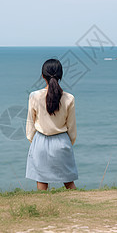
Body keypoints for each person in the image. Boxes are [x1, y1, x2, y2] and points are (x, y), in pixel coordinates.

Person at [25, 58, 78, 191]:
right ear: (60, 75)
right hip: (62, 142)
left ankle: (45, 210)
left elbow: (30, 123)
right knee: (69, 182)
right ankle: (79, 208)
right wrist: (67, 144)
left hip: (40, 141)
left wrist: (34, 141)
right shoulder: (69, 98)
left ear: (43, 76)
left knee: (42, 182)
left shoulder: (34, 96)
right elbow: (71, 127)